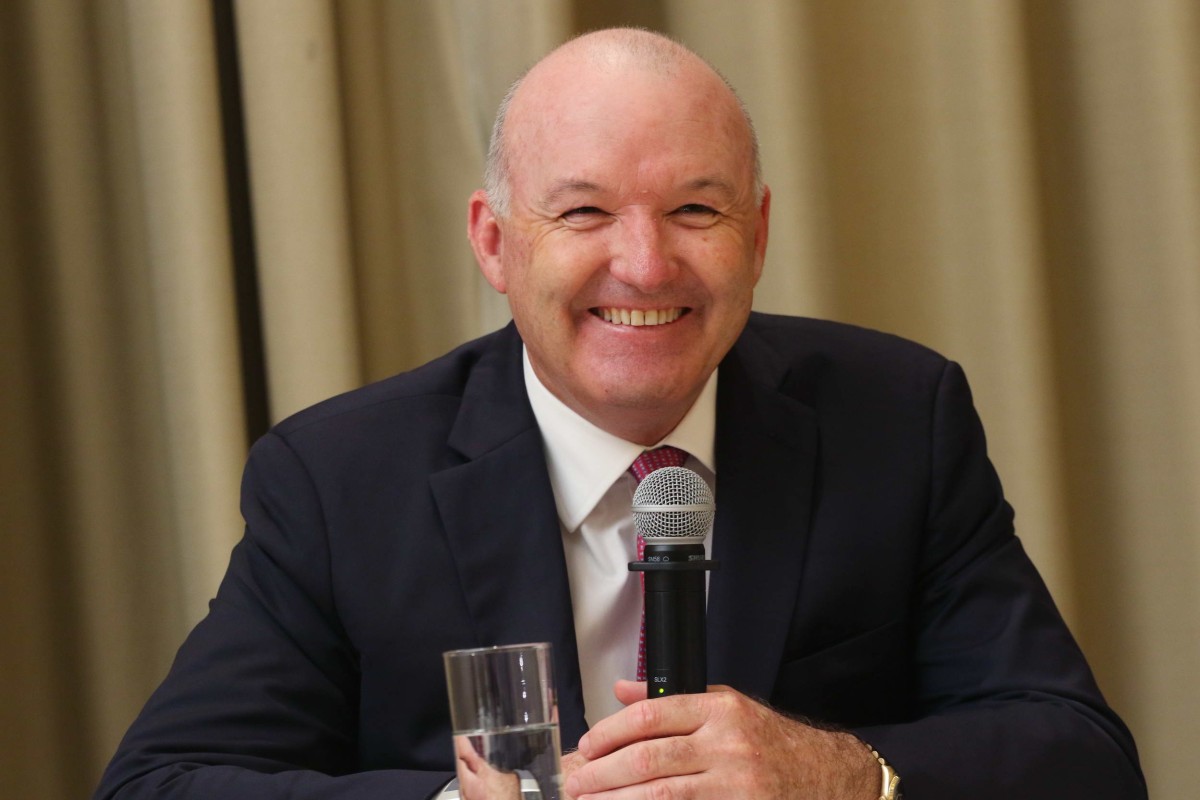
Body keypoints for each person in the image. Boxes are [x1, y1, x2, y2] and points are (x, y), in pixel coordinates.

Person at [95, 28, 1146, 800]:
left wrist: (835, 770)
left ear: (760, 232)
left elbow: (1083, 759)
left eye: (696, 209)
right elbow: (159, 783)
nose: (644, 264)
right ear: (496, 242)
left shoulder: (897, 418)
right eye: (585, 210)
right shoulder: (338, 478)